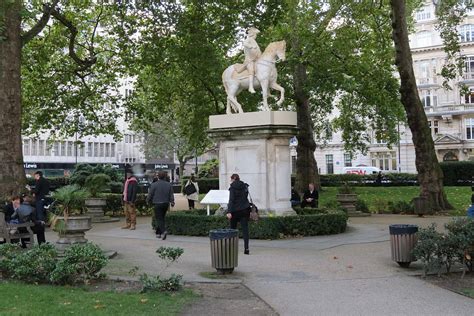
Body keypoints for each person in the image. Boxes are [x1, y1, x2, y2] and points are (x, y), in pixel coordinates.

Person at [227, 173, 251, 255]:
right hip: (244, 210)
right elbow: (245, 197)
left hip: (235, 211)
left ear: (233, 179)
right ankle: (246, 248)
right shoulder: (245, 186)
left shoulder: (232, 188)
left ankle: (231, 248)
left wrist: (229, 211)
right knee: (245, 230)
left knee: (232, 230)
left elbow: (231, 200)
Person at [147, 171, 175, 240]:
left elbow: (150, 194)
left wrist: (147, 201)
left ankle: (163, 231)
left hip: (157, 203)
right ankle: (158, 233)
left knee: (159, 218)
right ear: (165, 177)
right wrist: (172, 202)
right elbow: (171, 194)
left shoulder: (154, 185)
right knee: (162, 217)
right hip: (166, 203)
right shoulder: (169, 185)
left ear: (158, 177)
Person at [236, 27, 262, 94]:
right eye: (255, 34)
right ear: (253, 34)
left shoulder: (254, 41)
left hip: (256, 61)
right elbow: (245, 43)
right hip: (249, 61)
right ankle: (250, 87)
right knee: (251, 70)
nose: (256, 36)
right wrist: (251, 46)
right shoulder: (249, 39)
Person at [31, 171, 49, 244]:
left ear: (38, 175)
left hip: (39, 199)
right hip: (44, 198)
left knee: (39, 214)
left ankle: (41, 226)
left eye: (35, 176)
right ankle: (42, 225)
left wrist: (31, 190)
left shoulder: (39, 181)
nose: (34, 177)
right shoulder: (45, 181)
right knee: (42, 212)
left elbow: (36, 190)